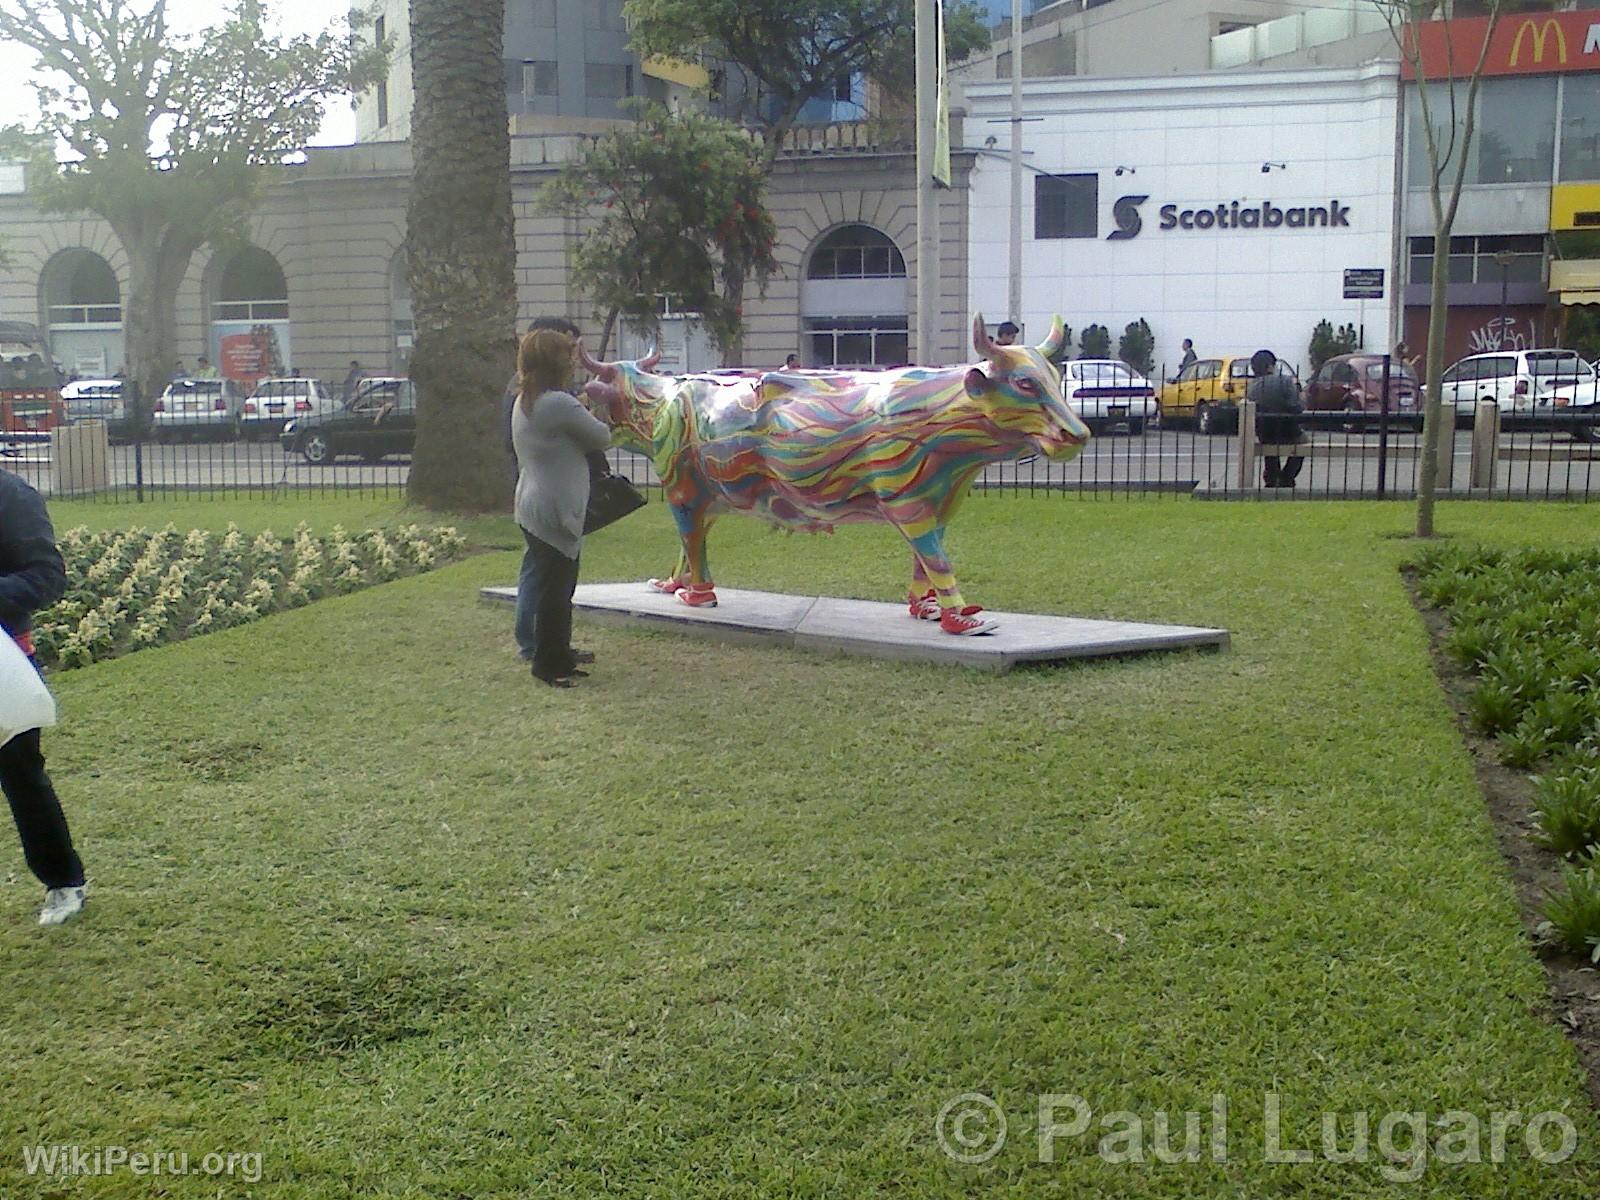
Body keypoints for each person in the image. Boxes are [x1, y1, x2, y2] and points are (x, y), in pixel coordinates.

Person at [0, 467, 86, 926]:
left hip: (3, 661)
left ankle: (63, 881)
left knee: (20, 775)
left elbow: (47, 576)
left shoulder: (10, 495)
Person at [513, 327, 614, 688]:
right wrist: (602, 402)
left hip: (534, 503)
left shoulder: (527, 398)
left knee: (555, 587)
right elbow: (602, 436)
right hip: (554, 508)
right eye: (568, 357)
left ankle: (559, 653)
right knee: (555, 591)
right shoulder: (557, 403)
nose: (573, 363)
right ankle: (548, 664)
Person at [1247, 348, 1304, 488]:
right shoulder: (1284, 381)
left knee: (1270, 446)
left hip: (1265, 433)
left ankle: (1271, 477)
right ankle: (1286, 477)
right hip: (1289, 432)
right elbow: (1297, 407)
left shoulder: (1251, 388)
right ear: (1270, 366)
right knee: (1303, 443)